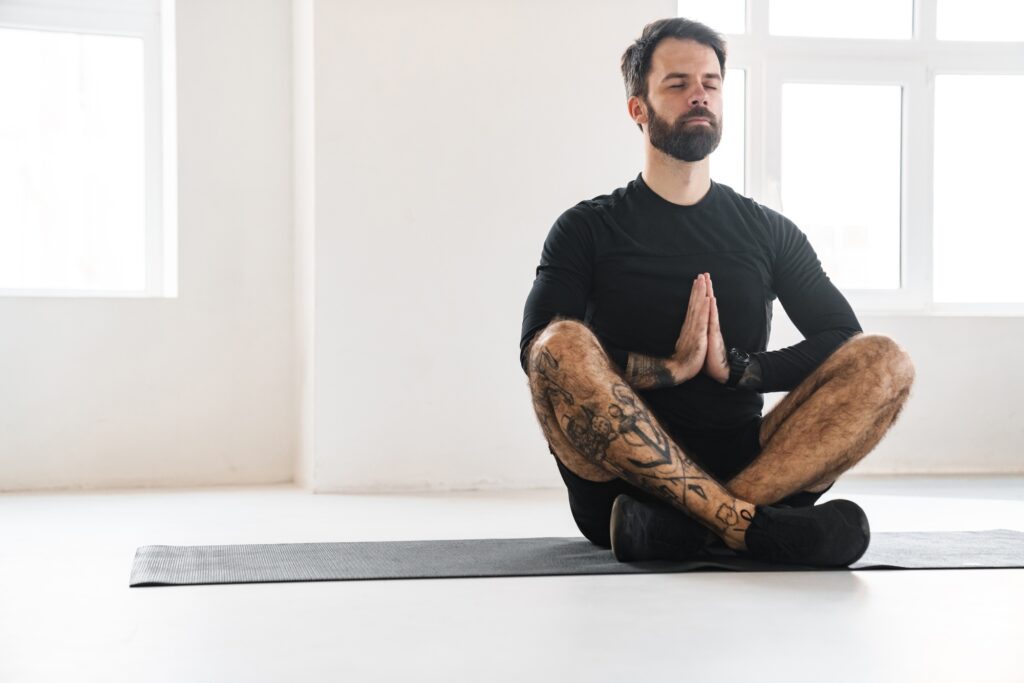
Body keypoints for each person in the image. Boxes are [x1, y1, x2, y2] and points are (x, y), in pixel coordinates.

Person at [519, 17, 916, 566]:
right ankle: (747, 527)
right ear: (639, 109)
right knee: (557, 341)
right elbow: (537, 353)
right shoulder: (587, 228)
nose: (699, 95)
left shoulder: (767, 230)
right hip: (619, 485)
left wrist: (740, 369)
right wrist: (668, 369)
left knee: (885, 361)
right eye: (678, 84)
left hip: (746, 466)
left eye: (711, 82)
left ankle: (706, 524)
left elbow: (841, 337)